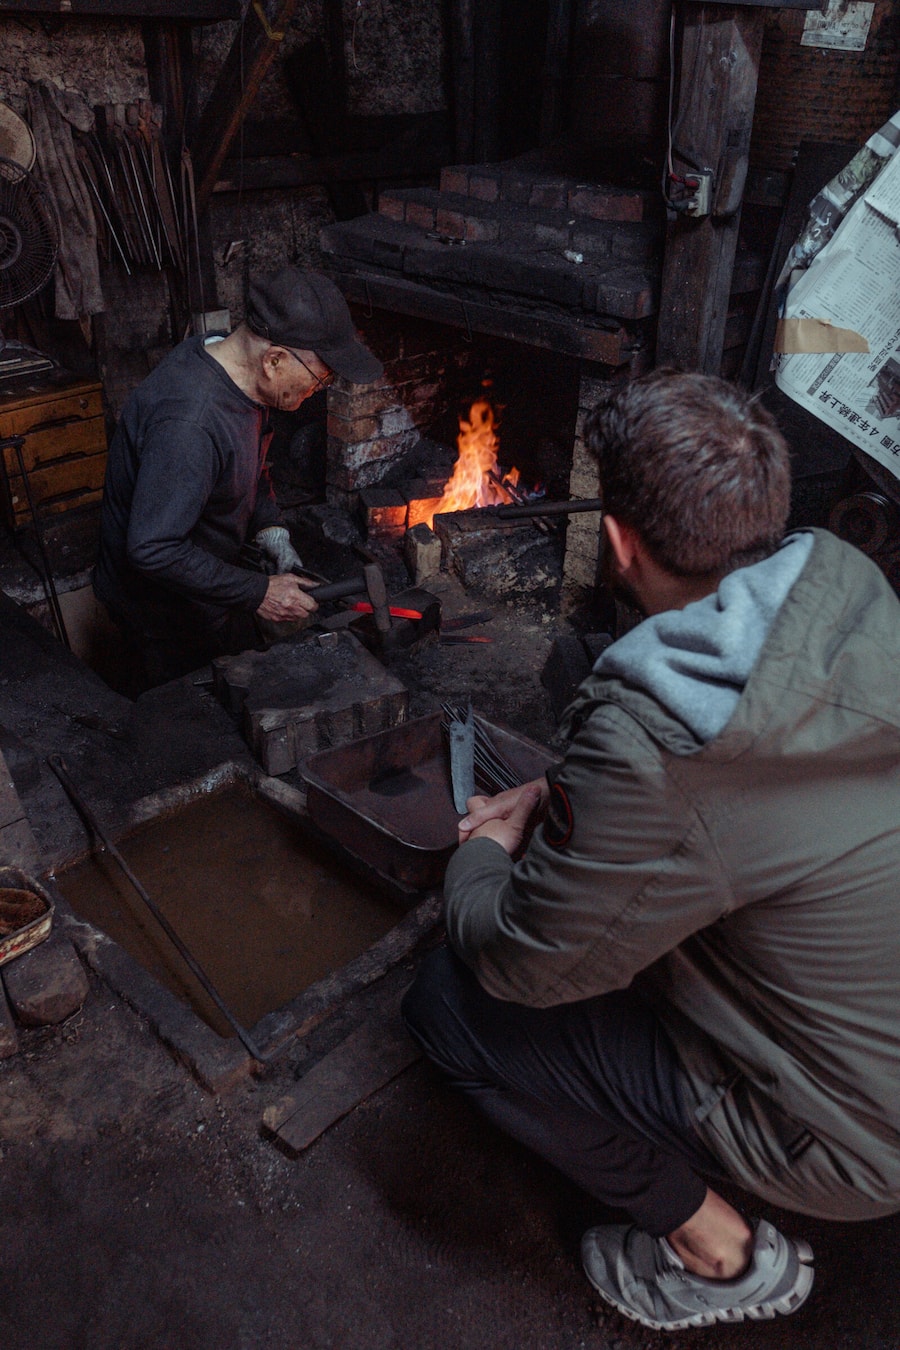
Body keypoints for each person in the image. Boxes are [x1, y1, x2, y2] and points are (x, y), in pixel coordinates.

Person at [402, 368, 900, 1332]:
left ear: (619, 543)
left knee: (449, 1009)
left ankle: (719, 1255)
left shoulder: (658, 746)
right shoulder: (856, 603)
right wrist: (576, 795)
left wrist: (487, 853)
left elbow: (518, 965)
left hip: (856, 1134)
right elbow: (747, 810)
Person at [93, 267, 382, 689]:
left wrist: (270, 528)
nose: (321, 388)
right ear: (274, 359)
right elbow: (152, 548)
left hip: (209, 581)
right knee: (200, 720)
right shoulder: (189, 424)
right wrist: (258, 592)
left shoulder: (236, 373)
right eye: (322, 377)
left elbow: (249, 462)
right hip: (161, 610)